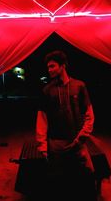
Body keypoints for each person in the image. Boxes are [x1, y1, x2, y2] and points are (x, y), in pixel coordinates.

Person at [35, 50, 97, 201]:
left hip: (77, 142)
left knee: (88, 175)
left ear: (62, 66)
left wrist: (81, 138)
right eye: (48, 67)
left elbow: (89, 115)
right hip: (56, 144)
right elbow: (42, 119)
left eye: (52, 66)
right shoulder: (47, 90)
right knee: (58, 181)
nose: (49, 70)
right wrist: (42, 145)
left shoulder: (79, 86)